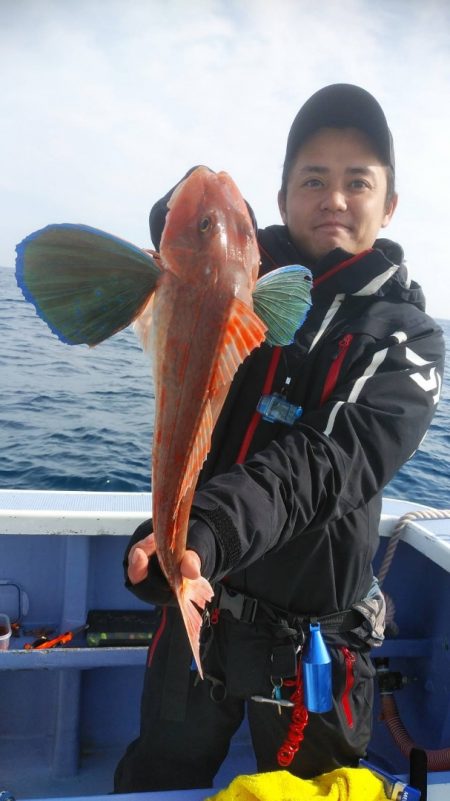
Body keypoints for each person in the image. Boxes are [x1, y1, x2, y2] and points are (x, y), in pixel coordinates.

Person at [114, 84, 445, 792]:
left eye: (357, 182)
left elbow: (325, 463)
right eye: (312, 180)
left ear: (389, 205)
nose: (334, 199)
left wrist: (204, 528)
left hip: (313, 641)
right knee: (157, 776)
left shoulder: (408, 340)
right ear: (282, 198)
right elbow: (179, 222)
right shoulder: (235, 279)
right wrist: (198, 201)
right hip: (201, 601)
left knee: (313, 789)